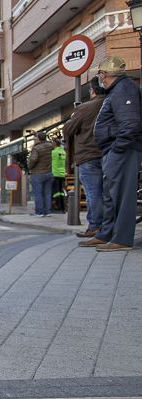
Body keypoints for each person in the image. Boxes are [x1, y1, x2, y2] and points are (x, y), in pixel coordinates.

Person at [81, 56, 142, 252]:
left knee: (122, 195)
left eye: (100, 74)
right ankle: (106, 234)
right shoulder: (117, 90)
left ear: (105, 74)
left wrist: (117, 148)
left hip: (122, 150)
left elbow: (130, 123)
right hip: (114, 150)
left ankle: (122, 239)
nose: (100, 78)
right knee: (111, 194)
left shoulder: (124, 89)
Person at [64, 77, 107, 238]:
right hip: (110, 154)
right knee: (109, 192)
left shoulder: (85, 108)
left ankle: (95, 226)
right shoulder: (111, 103)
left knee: (93, 192)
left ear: (93, 91)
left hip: (88, 156)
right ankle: (110, 225)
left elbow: (68, 130)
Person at [27, 131, 54, 217]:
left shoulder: (36, 148)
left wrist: (29, 167)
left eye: (36, 138)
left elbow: (33, 159)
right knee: (47, 192)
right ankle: (47, 211)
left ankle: (39, 212)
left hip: (38, 173)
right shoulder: (51, 146)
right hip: (49, 172)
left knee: (38, 193)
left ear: (38, 138)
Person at [51, 138, 67, 213]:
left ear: (55, 144)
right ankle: (63, 207)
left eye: (52, 143)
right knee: (61, 191)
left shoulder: (53, 152)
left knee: (55, 192)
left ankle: (57, 207)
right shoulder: (63, 152)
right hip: (62, 174)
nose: (51, 144)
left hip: (55, 173)